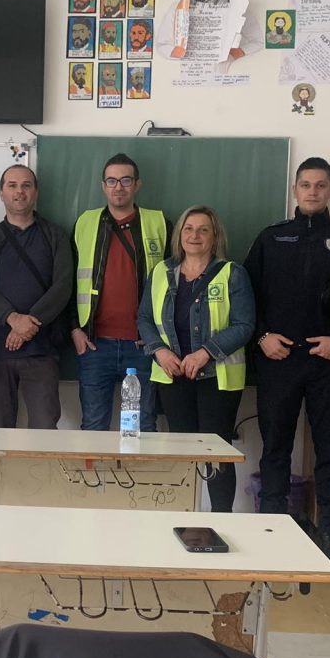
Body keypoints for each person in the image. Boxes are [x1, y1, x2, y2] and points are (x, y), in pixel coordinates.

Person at [243, 157, 330, 566]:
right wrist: (262, 338)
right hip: (279, 360)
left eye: (321, 185)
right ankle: (271, 531)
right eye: (306, 185)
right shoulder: (271, 238)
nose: (313, 192)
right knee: (275, 448)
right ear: (295, 190)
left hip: (329, 362)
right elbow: (243, 298)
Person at [138, 207, 254, 512]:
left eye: (203, 230)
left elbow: (244, 325)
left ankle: (220, 520)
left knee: (217, 455)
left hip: (218, 379)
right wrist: (159, 351)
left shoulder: (232, 273)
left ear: (215, 237)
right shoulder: (161, 272)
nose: (195, 235)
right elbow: (144, 318)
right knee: (182, 452)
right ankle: (184, 517)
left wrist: (205, 353)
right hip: (173, 376)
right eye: (188, 229)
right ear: (179, 235)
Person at [71, 153, 169, 433]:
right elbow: (68, 281)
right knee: (93, 426)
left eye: (126, 180)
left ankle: (140, 468)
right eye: (112, 181)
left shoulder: (159, 223)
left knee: (142, 427)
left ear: (137, 184)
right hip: (94, 345)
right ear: (103, 186)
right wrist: (74, 329)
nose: (118, 187)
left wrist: (157, 338)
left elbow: (175, 285)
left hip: (143, 346)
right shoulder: (85, 223)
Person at [0, 166, 72, 429]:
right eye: (12, 185)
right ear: (1, 193)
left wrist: (29, 323)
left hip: (42, 350)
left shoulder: (55, 235)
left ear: (35, 192)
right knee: (0, 429)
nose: (19, 192)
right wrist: (12, 319)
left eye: (26, 185)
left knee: (44, 428)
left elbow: (63, 286)